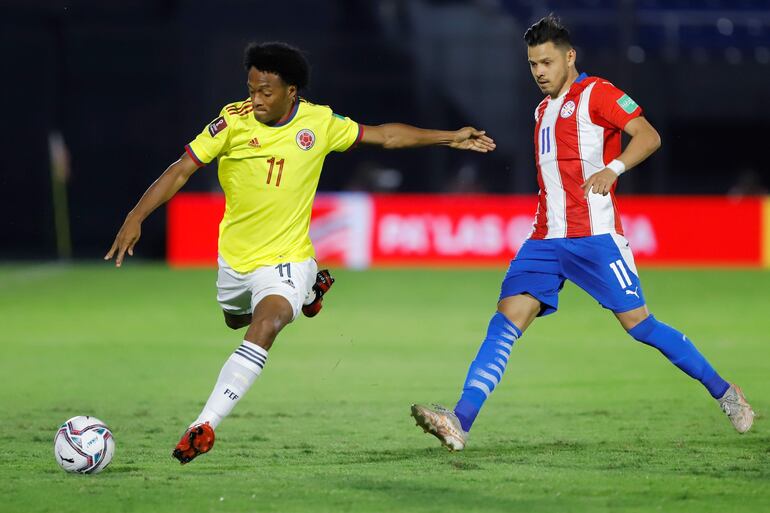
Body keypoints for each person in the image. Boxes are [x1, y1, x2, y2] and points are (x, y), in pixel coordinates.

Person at [105, 41, 496, 464]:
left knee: (268, 322)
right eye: (251, 89)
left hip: (287, 258)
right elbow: (181, 169)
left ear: (291, 92)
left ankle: (205, 424)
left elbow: (385, 136)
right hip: (235, 260)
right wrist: (136, 215)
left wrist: (449, 138)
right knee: (235, 319)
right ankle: (309, 292)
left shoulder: (319, 122)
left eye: (265, 92)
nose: (255, 100)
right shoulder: (231, 122)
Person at [410, 15, 754, 451]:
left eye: (547, 62)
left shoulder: (598, 93)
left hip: (595, 237)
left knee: (640, 325)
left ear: (569, 57)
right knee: (506, 321)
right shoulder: (541, 110)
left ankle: (725, 392)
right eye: (533, 64)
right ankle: (460, 420)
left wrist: (614, 168)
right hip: (544, 239)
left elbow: (648, 136)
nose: (539, 72)